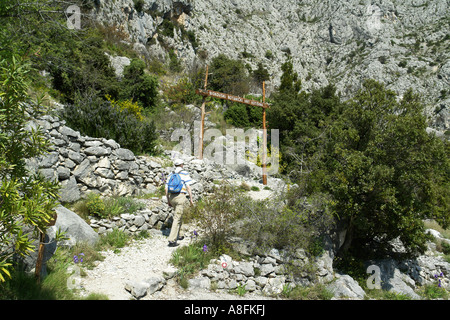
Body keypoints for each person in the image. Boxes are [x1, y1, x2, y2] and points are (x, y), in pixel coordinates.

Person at [165, 158, 194, 247]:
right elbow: (188, 187)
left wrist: (168, 200)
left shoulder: (171, 174)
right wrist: (191, 199)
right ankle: (172, 240)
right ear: (182, 165)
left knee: (179, 214)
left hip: (172, 197)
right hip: (180, 196)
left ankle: (180, 234)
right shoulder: (184, 173)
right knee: (177, 218)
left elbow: (166, 188)